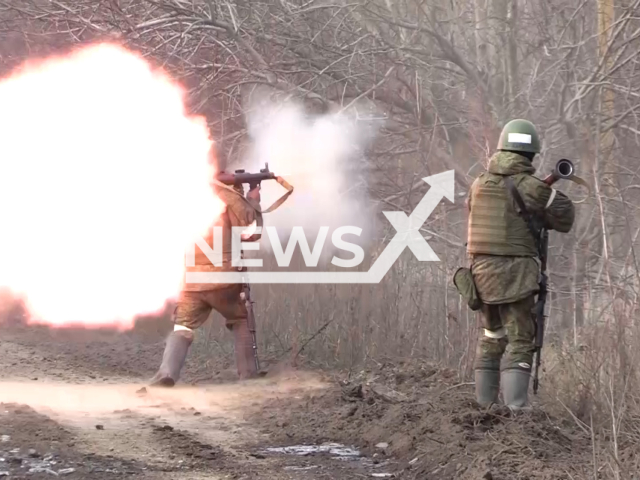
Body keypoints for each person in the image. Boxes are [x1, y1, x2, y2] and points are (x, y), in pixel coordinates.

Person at [466, 119, 575, 409]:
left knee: (491, 337)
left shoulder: (478, 183)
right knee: (520, 340)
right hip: (516, 276)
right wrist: (544, 200)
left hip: (480, 276)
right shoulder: (529, 186)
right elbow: (565, 217)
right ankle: (516, 412)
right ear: (529, 155)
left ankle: (484, 409)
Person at [149, 148, 263, 387]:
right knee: (240, 318)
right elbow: (249, 227)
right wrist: (252, 199)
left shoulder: (180, 195)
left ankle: (166, 373)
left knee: (182, 325)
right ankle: (248, 375)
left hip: (192, 280)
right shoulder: (223, 195)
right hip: (224, 278)